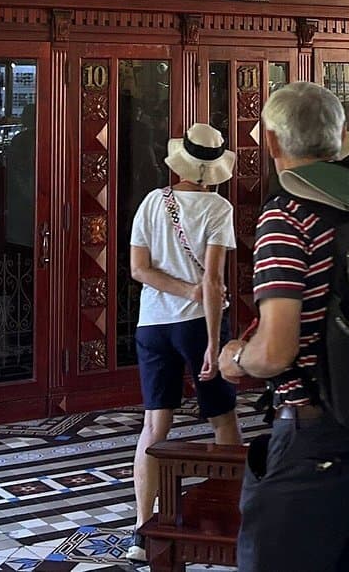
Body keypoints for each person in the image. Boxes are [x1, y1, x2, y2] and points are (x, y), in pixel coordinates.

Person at [220, 82, 349, 572]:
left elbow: (278, 349)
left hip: (320, 434)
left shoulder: (288, 217)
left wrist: (236, 359)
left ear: (272, 141)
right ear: (339, 138)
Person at [125, 123, 241, 563]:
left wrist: (177, 289)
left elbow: (139, 270)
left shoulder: (153, 202)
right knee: (223, 419)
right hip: (197, 324)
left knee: (154, 425)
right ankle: (229, 511)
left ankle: (141, 526)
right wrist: (214, 342)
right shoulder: (218, 208)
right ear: (213, 170)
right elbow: (212, 280)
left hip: (151, 325)